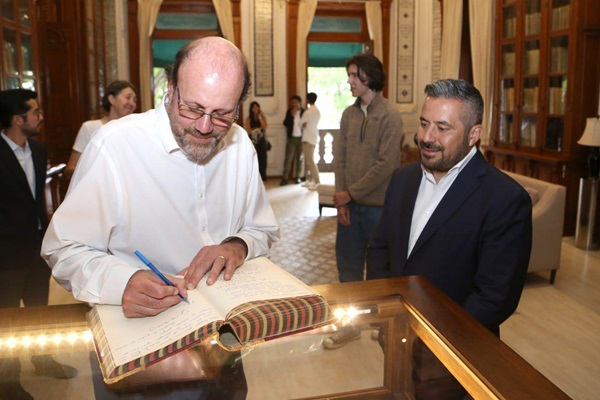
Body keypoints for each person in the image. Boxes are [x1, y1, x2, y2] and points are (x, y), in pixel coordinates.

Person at [42, 37, 280, 321]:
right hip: (143, 325)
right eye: (192, 108)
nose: (204, 127)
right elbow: (63, 249)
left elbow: (262, 229)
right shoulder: (114, 145)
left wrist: (237, 246)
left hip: (226, 321)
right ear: (171, 90)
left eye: (222, 114)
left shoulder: (240, 144)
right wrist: (122, 283)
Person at [367, 79, 532, 399]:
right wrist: (383, 315)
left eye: (443, 128)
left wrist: (435, 344)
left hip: (453, 353)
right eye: (424, 124)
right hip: (396, 335)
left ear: (474, 134)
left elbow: (496, 297)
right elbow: (380, 247)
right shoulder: (403, 179)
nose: (426, 137)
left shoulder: (504, 199)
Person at [0, 89, 77, 399]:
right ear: (17, 119)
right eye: (35, 112)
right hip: (5, 251)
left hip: (35, 247)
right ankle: (7, 381)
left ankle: (42, 359)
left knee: (38, 309)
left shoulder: (39, 149)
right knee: (7, 318)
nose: (40, 117)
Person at [323, 53, 403, 350]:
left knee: (380, 271)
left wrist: (350, 194)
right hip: (350, 208)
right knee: (348, 269)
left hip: (378, 209)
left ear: (369, 76)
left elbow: (386, 165)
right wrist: (342, 201)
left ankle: (381, 324)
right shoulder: (348, 114)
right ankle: (350, 325)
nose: (349, 81)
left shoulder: (390, 115)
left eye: (354, 75)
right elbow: (340, 160)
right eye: (349, 75)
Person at [64, 80, 137, 178]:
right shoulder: (90, 127)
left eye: (135, 100)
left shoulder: (135, 130)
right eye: (128, 98)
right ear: (111, 99)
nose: (132, 103)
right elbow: (70, 169)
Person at [280, 95, 304, 185]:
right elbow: (285, 123)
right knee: (288, 158)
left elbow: (306, 123)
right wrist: (291, 115)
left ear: (299, 103)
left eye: (296, 102)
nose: (294, 104)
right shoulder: (289, 112)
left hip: (301, 138)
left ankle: (297, 176)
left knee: (300, 159)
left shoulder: (303, 112)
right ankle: (285, 177)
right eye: (292, 102)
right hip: (291, 138)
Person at [299, 92, 321, 190]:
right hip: (313, 136)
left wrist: (304, 124)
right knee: (309, 160)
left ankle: (317, 181)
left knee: (310, 161)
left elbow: (300, 123)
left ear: (307, 100)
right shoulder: (317, 111)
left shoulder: (308, 112)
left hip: (308, 137)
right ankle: (312, 180)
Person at [245, 101, 268, 181]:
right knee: (253, 159)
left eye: (257, 107)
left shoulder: (262, 117)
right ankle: (253, 179)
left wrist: (259, 117)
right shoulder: (248, 119)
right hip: (252, 141)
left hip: (261, 140)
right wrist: (257, 130)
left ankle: (263, 178)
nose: (255, 109)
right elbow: (248, 130)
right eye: (253, 107)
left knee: (262, 159)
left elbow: (264, 126)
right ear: (251, 109)